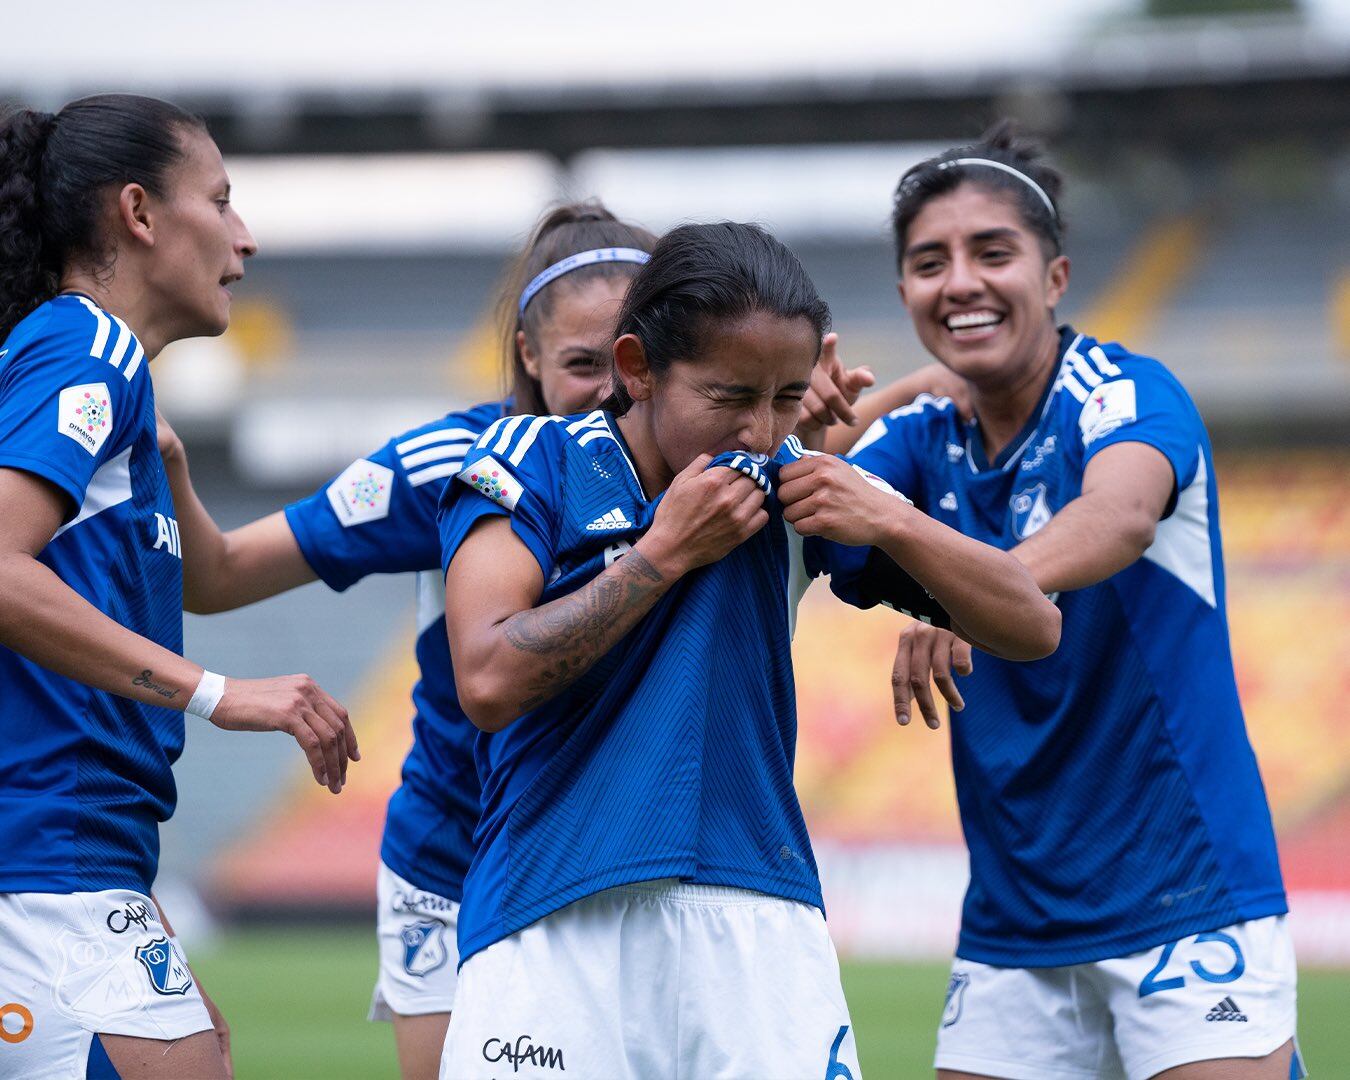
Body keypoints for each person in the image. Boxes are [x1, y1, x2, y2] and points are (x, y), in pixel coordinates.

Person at [435, 220, 1060, 1079]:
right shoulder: (531, 460)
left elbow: (1032, 624)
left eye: (787, 396)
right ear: (637, 368)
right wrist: (662, 554)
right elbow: (488, 678)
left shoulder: (797, 487)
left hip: (758, 916)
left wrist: (892, 518)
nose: (763, 432)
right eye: (730, 396)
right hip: (555, 911)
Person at [841, 123, 1302, 1079]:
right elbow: (829, 518)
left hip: (1185, 889)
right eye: (931, 263)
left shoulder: (1126, 392)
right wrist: (860, 410)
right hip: (1015, 921)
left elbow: (1121, 516)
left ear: (1054, 277)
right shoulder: (921, 436)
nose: (960, 280)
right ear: (905, 297)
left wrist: (970, 591)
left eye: (992, 252)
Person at [157, 202, 657, 1080]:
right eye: (581, 364)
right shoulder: (448, 462)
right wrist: (172, 468)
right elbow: (221, 572)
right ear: (528, 355)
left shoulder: (701, 465)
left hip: (616, 861)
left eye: (632, 364)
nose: (609, 390)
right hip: (452, 854)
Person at [0, 94, 357, 1080]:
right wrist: (221, 693)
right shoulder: (89, 349)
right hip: (44, 877)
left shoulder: (102, 377)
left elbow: (206, 579)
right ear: (139, 215)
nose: (244, 237)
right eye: (222, 200)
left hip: (74, 870)